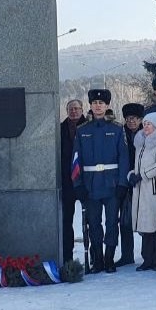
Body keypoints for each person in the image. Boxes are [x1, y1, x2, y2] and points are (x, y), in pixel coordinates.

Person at [74, 89, 130, 274]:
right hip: (90, 185)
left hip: (112, 184)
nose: (98, 106)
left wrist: (123, 183)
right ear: (90, 105)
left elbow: (124, 157)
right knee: (94, 222)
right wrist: (78, 184)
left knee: (112, 222)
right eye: (95, 103)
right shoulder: (82, 130)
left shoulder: (116, 128)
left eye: (101, 103)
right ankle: (97, 257)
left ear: (107, 106)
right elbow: (76, 159)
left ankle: (109, 257)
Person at [131, 111, 156, 271]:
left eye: (150, 124)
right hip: (141, 190)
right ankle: (147, 259)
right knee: (145, 224)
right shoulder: (140, 144)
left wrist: (143, 175)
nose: (146, 126)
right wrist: (132, 175)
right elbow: (137, 165)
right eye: (145, 123)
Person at [116, 103, 144, 267]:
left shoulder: (147, 132)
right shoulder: (121, 134)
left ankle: (149, 253)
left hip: (144, 180)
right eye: (128, 119)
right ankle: (127, 254)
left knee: (147, 219)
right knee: (125, 220)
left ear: (140, 119)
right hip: (125, 182)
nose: (131, 122)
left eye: (134, 118)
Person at [59, 99, 88, 259]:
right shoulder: (60, 129)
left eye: (77, 108)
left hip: (85, 181)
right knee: (66, 222)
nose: (74, 111)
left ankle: (94, 256)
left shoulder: (89, 127)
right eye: (71, 109)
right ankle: (67, 257)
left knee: (90, 222)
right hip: (67, 182)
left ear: (82, 109)